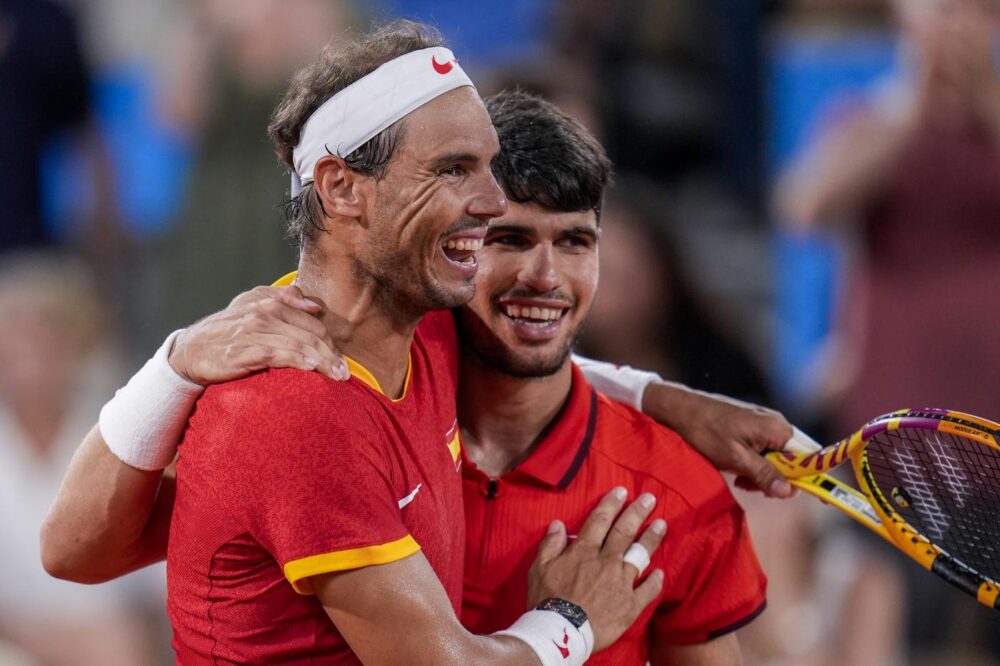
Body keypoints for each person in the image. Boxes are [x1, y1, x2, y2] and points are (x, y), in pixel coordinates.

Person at [45, 85, 791, 662]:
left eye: (575, 243)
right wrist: (569, 623)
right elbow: (77, 550)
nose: (544, 275)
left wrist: (663, 397)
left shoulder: (673, 487)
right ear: (453, 253)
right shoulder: (320, 398)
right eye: (506, 239)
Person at [777, 0, 1000, 658]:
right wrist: (914, 105)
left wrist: (983, 98)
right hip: (898, 425)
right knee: (886, 620)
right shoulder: (868, 116)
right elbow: (807, 205)